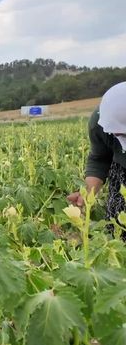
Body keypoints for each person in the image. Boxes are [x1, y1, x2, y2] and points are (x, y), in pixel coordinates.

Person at [67, 81, 126, 236]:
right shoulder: (100, 123)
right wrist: (87, 194)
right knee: (117, 230)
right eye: (118, 133)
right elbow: (100, 158)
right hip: (122, 170)